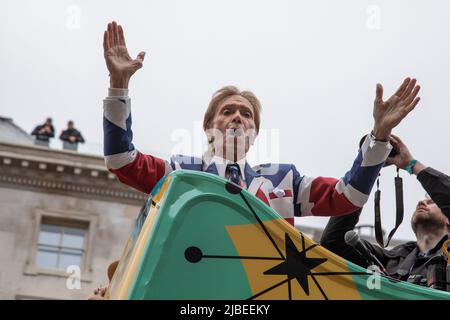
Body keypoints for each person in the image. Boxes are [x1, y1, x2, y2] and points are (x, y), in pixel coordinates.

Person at [102, 20, 421, 226]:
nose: (238, 117)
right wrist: (119, 86)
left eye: (246, 114)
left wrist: (379, 136)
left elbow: (349, 196)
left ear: (254, 133)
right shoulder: (180, 172)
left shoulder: (284, 179)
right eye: (227, 112)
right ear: (208, 127)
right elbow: (121, 160)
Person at [320, 135, 450, 290]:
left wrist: (411, 164)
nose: (421, 202)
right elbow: (333, 242)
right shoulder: (390, 260)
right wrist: (368, 171)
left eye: (431, 201)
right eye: (423, 200)